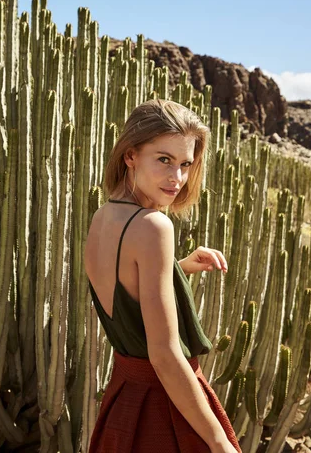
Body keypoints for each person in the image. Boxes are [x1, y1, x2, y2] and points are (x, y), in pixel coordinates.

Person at [84, 98, 242, 452]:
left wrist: (177, 267)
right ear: (130, 155)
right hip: (164, 408)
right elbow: (165, 356)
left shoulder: (103, 216)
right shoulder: (154, 226)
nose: (177, 178)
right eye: (164, 160)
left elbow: (124, 285)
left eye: (186, 164)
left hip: (123, 403)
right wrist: (220, 443)